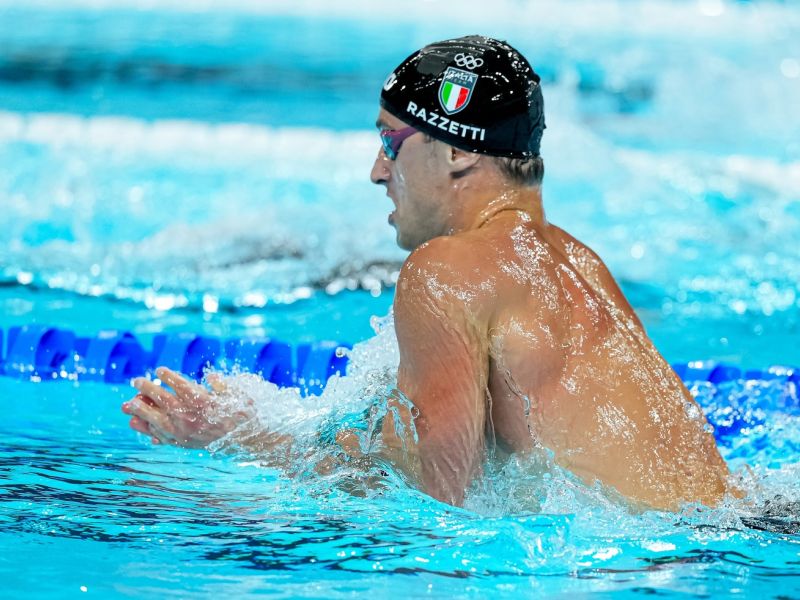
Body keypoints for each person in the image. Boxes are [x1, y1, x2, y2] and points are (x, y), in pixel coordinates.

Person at [122, 35, 733, 511]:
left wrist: (244, 436)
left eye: (391, 142)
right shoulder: (578, 261)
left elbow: (437, 491)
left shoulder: (445, 270)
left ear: (459, 150)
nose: (377, 171)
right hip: (725, 536)